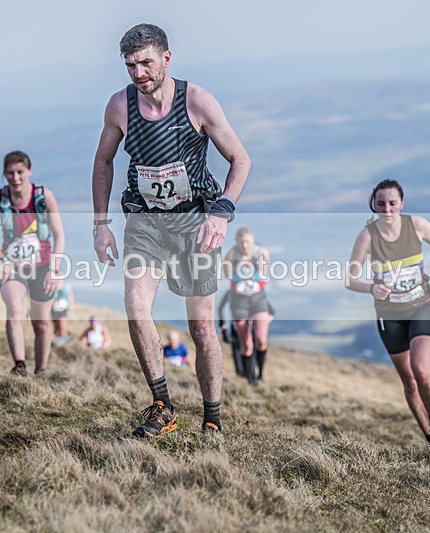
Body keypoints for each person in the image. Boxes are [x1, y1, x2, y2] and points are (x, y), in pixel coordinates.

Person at [92, 24, 251, 437]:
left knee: (200, 327)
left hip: (195, 224)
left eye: (146, 62)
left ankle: (212, 417)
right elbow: (103, 163)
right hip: (145, 222)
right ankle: (162, 404)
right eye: (130, 65)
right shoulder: (119, 106)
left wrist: (221, 213)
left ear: (166, 57)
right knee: (135, 305)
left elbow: (240, 160)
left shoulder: (197, 101)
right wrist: (101, 224)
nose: (138, 73)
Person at [346, 179, 430, 452]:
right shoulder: (368, 235)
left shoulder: (417, 225)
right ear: (374, 204)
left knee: (421, 369)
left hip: (422, 306)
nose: (387, 209)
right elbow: (350, 278)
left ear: (402, 204)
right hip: (390, 315)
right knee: (409, 382)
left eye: (393, 203)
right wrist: (371, 287)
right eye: (381, 203)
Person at [0, 150, 65, 377]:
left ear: (29, 171)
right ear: (4, 174)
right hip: (13, 266)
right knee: (15, 311)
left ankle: (41, 370)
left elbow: (59, 235)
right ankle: (19, 365)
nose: (15, 178)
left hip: (44, 265)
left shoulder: (44, 196)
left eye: (20, 172)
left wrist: (55, 270)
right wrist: (2, 258)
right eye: (10, 173)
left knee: (41, 325)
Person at [221, 227, 272, 385]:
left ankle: (261, 374)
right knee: (246, 343)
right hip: (239, 301)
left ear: (252, 240)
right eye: (241, 241)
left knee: (261, 339)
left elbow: (265, 275)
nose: (245, 244)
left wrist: (257, 284)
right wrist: (240, 284)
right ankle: (250, 379)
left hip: (258, 299)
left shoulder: (261, 253)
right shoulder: (231, 256)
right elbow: (228, 276)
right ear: (237, 242)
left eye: (247, 241)